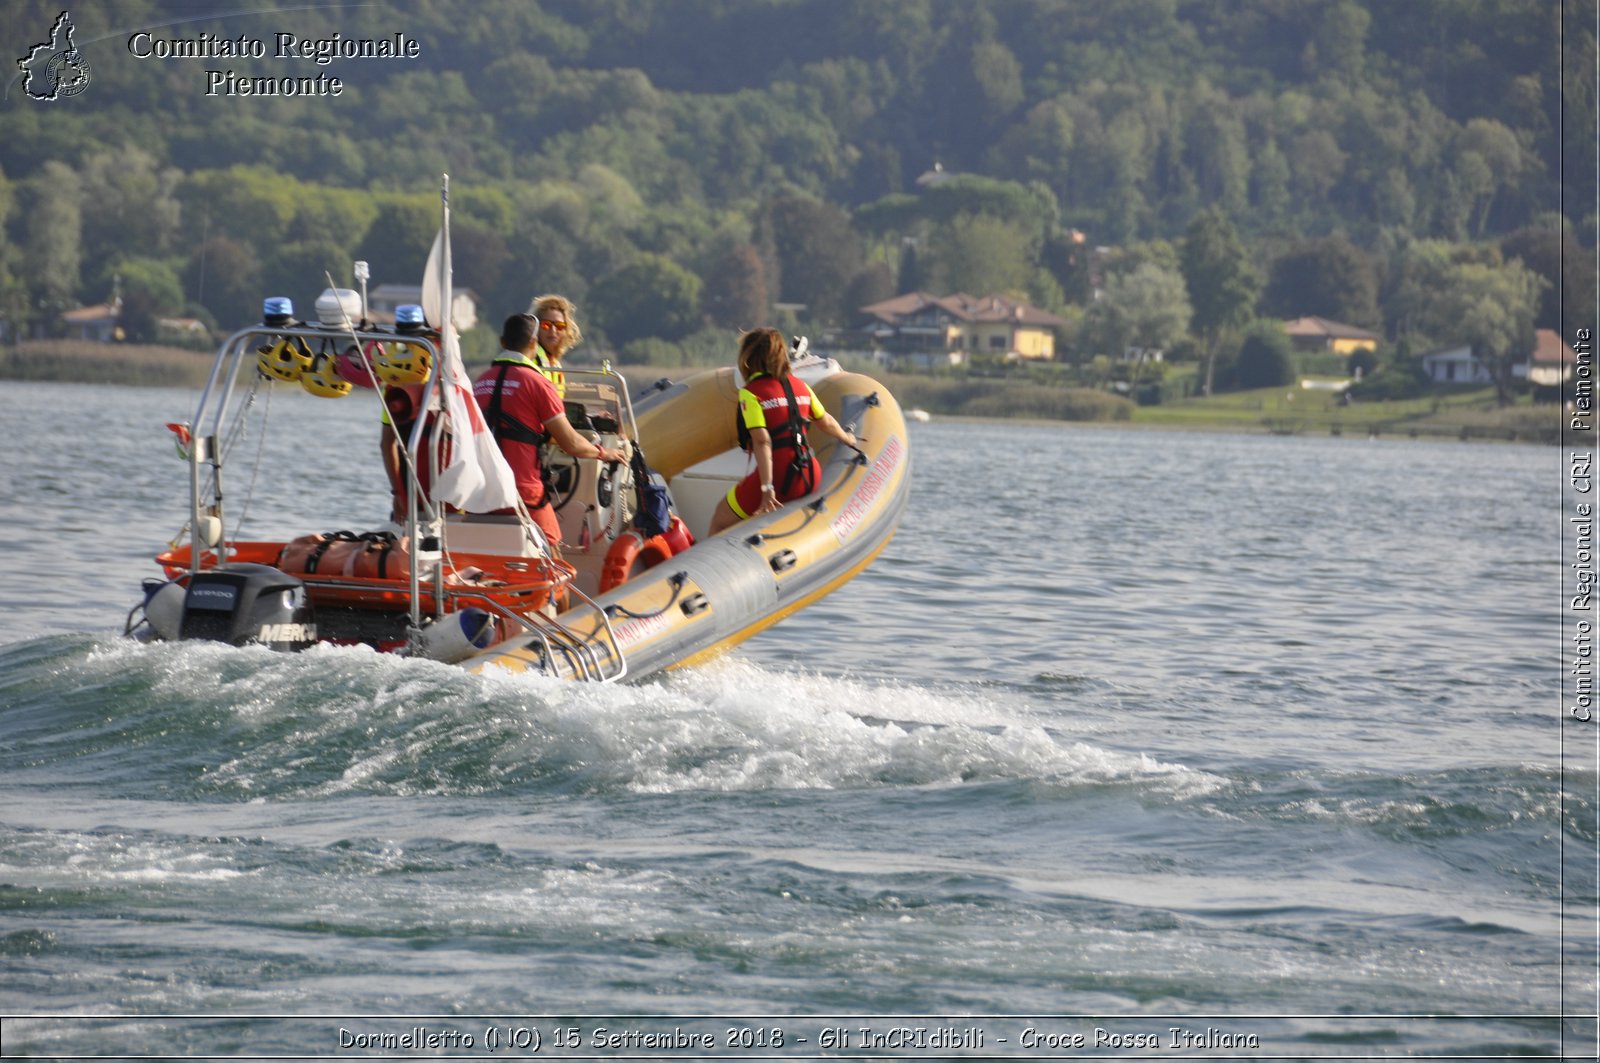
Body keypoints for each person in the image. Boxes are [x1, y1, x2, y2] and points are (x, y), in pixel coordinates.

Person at [474, 313, 624, 544]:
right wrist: (605, 453)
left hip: (482, 489)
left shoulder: (480, 382)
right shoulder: (538, 384)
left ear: (502, 342)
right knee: (552, 543)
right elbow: (571, 443)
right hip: (522, 491)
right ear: (534, 343)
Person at [708, 327, 858, 536]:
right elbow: (827, 422)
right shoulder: (801, 387)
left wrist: (767, 488)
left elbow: (762, 441)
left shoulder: (750, 394)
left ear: (748, 359)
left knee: (721, 519)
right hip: (810, 475)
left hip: (778, 480)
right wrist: (848, 438)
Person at [526, 293, 581, 399]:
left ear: (566, 330)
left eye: (559, 326)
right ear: (536, 328)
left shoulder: (555, 364)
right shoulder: (530, 359)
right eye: (546, 325)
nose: (553, 331)